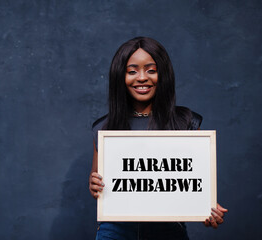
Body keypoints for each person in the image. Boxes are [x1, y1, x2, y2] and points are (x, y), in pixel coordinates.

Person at [89, 37, 228, 240]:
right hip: (116, 230)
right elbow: (97, 182)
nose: (142, 77)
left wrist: (206, 207)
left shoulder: (185, 122)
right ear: (120, 76)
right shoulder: (104, 127)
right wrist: (94, 185)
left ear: (163, 75)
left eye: (151, 70)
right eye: (132, 71)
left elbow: (197, 185)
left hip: (167, 231)